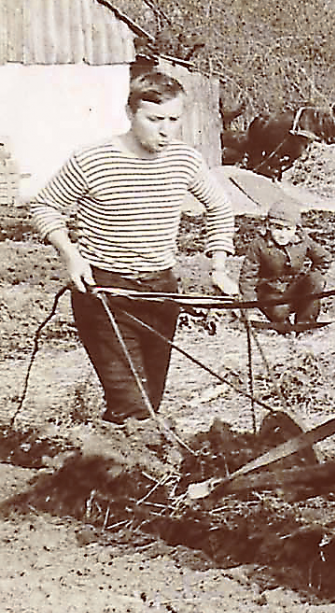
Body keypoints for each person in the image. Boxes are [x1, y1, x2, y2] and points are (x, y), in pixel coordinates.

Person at [30, 69, 239, 424]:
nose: (165, 129)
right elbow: (44, 205)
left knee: (147, 405)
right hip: (104, 292)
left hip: (161, 292)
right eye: (154, 119)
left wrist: (217, 265)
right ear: (130, 114)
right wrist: (71, 255)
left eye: (174, 119)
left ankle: (113, 468)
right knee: (134, 408)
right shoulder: (92, 160)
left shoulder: (184, 160)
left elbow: (219, 206)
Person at [239, 198, 332, 333]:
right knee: (280, 313)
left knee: (316, 280)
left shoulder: (303, 240)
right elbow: (248, 278)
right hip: (271, 293)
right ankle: (284, 327)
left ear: (296, 228)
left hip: (295, 290)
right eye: (278, 228)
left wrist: (310, 278)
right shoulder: (259, 245)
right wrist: (250, 309)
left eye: (288, 229)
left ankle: (305, 326)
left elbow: (324, 258)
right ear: (269, 226)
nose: (283, 234)